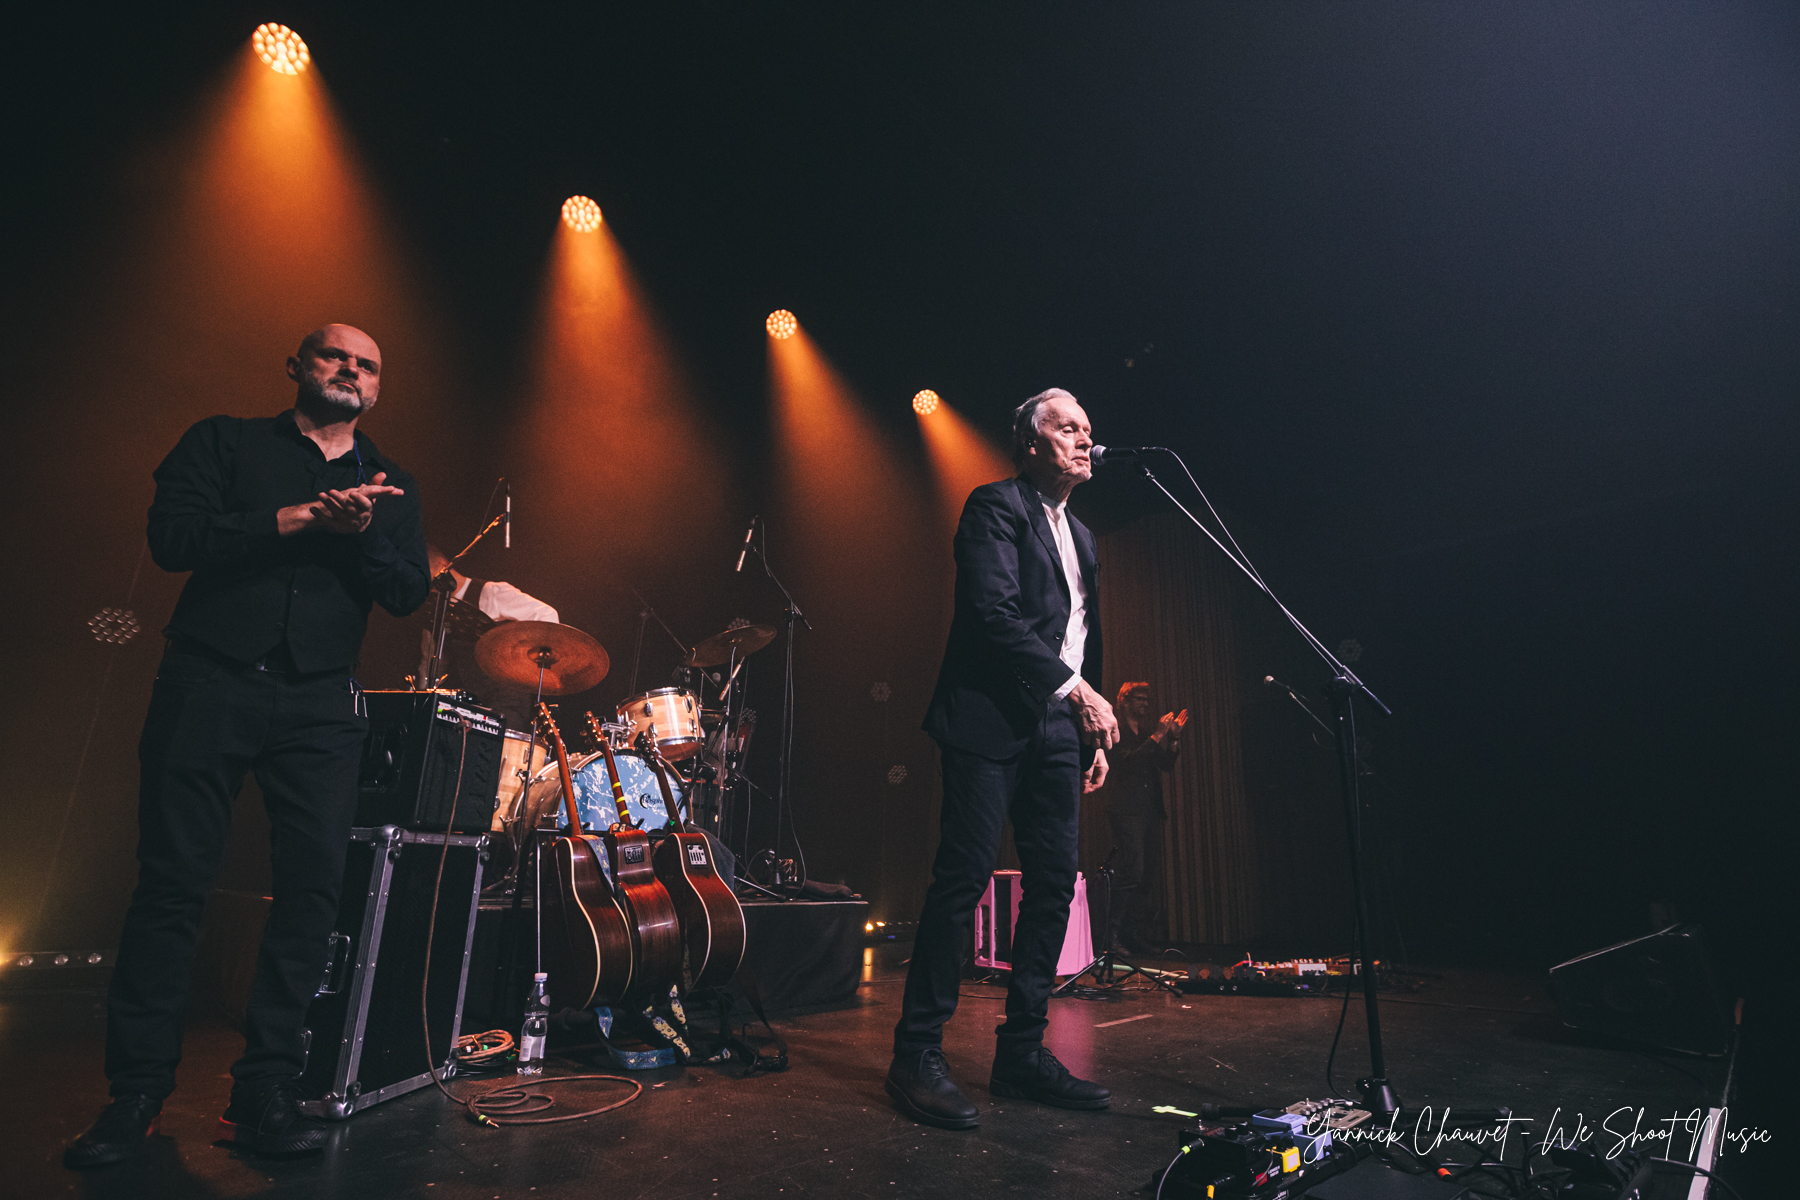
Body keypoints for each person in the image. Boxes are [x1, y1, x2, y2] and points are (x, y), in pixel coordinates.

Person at [64, 325, 429, 1169]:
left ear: (377, 389)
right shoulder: (223, 441)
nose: (351, 370)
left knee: (309, 898)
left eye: (367, 365)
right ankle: (137, 1099)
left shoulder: (392, 484)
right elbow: (173, 541)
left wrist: (362, 530)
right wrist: (300, 517)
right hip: (209, 680)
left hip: (319, 701)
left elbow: (408, 593)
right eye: (336, 356)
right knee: (171, 886)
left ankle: (262, 1093)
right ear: (298, 366)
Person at [888, 387, 1119, 1130]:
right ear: (1029, 442)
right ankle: (916, 1054)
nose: (1085, 440)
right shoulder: (994, 507)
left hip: (1055, 730)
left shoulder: (1083, 538)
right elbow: (991, 615)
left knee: (1054, 885)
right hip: (987, 722)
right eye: (1068, 428)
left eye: (1089, 429)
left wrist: (1085, 728)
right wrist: (1078, 694)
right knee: (963, 878)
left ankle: (1021, 1054)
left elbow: (1081, 639)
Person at [417, 543, 558, 730]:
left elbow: (548, 616)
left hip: (508, 701)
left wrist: (516, 656)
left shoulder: (490, 593)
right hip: (470, 703)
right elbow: (430, 664)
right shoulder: (437, 609)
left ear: (445, 567)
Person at [1104, 682, 1187, 954]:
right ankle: (1111, 935)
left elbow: (1165, 764)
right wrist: (1157, 735)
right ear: (1124, 702)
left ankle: (1133, 935)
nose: (1144, 704)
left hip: (1149, 810)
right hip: (1126, 809)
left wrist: (1172, 738)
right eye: (1138, 699)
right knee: (1132, 870)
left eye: (1146, 700)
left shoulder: (1145, 733)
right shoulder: (1117, 729)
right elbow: (1126, 763)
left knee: (1147, 875)